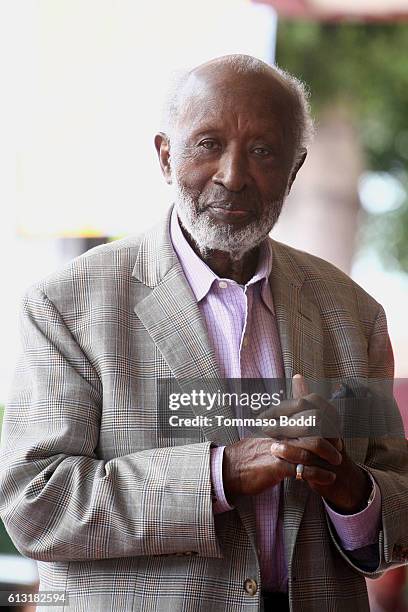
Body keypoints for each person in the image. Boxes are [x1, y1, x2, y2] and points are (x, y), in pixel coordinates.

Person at [0, 54, 407, 612]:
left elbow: (399, 510)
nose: (233, 175)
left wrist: (348, 488)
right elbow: (35, 503)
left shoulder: (351, 314)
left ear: (295, 168)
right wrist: (219, 475)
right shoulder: (68, 304)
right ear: (166, 156)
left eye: (263, 151)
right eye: (208, 143)